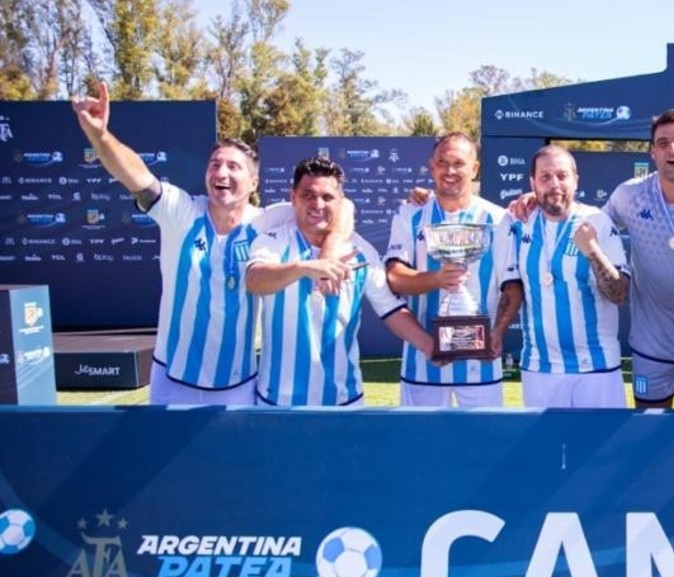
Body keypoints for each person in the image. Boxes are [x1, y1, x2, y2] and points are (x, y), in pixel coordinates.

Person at [70, 80, 351, 405]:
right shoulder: (181, 211)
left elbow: (342, 206)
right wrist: (100, 135)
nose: (222, 172)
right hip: (172, 379)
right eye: (215, 164)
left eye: (234, 166)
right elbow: (135, 175)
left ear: (254, 182)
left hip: (239, 386)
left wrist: (327, 257)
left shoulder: (268, 220)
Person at [509, 108, 674, 408]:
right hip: (650, 341)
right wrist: (536, 198)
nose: (673, 150)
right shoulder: (629, 195)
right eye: (663, 142)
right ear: (652, 151)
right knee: (646, 437)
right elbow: (589, 222)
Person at [245, 156, 434, 406]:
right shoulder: (273, 241)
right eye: (308, 195)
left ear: (341, 202)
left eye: (327, 197)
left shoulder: (361, 251)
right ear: (293, 197)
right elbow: (255, 280)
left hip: (344, 401)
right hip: (277, 401)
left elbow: (391, 309)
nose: (318, 204)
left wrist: (432, 347)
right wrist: (305, 267)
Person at [384, 133, 521, 407]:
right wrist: (435, 279)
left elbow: (512, 286)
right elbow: (394, 277)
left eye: (459, 163)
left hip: (481, 362)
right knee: (422, 449)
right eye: (442, 162)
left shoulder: (498, 219)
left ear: (475, 168)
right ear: (431, 166)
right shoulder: (410, 215)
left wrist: (498, 331)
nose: (450, 171)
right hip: (422, 364)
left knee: (485, 449)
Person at [503, 145, 630, 408]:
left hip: (596, 366)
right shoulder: (516, 222)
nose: (554, 184)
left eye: (562, 176)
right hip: (540, 367)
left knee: (601, 450)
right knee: (544, 450)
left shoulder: (598, 221)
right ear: (532, 183)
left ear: (576, 180)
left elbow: (619, 294)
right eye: (545, 177)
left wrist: (592, 250)